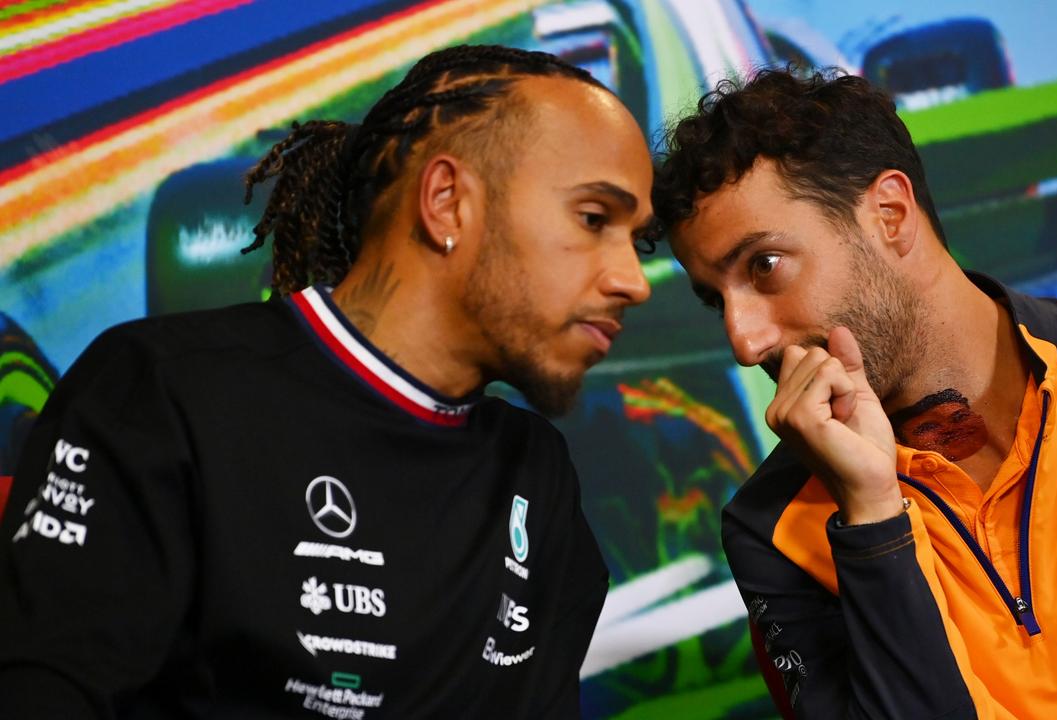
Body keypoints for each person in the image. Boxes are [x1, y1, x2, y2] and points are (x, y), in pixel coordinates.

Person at [0, 44, 656, 718]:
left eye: (639, 240)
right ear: (447, 202)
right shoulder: (159, 393)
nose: (631, 281)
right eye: (594, 219)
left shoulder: (537, 475)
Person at [652, 66, 1057, 719]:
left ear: (889, 216)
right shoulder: (772, 528)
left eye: (765, 266)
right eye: (713, 299)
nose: (744, 342)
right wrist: (871, 519)